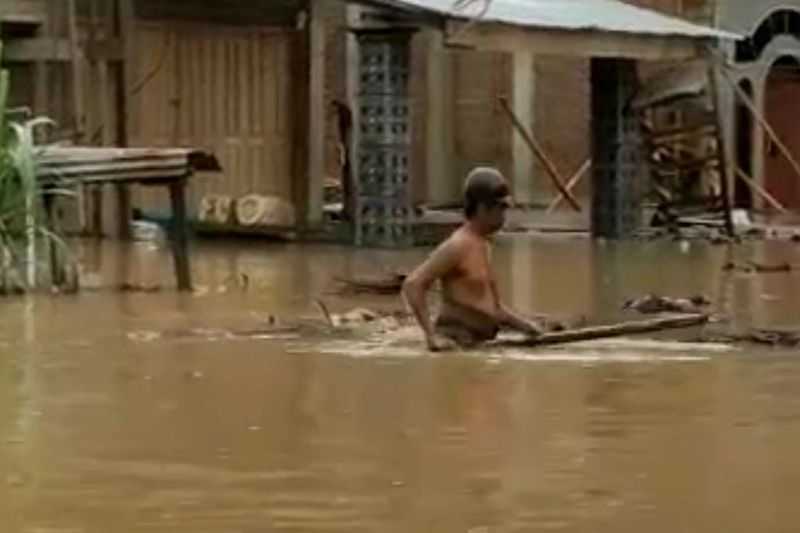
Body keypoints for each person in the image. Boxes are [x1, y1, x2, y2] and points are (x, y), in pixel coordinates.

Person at [402, 167, 543, 351]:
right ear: (483, 208)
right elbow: (413, 284)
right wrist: (431, 337)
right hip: (456, 341)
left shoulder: (483, 245)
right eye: (500, 209)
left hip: (479, 343)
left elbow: (494, 309)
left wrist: (526, 326)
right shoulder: (457, 245)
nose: (504, 217)